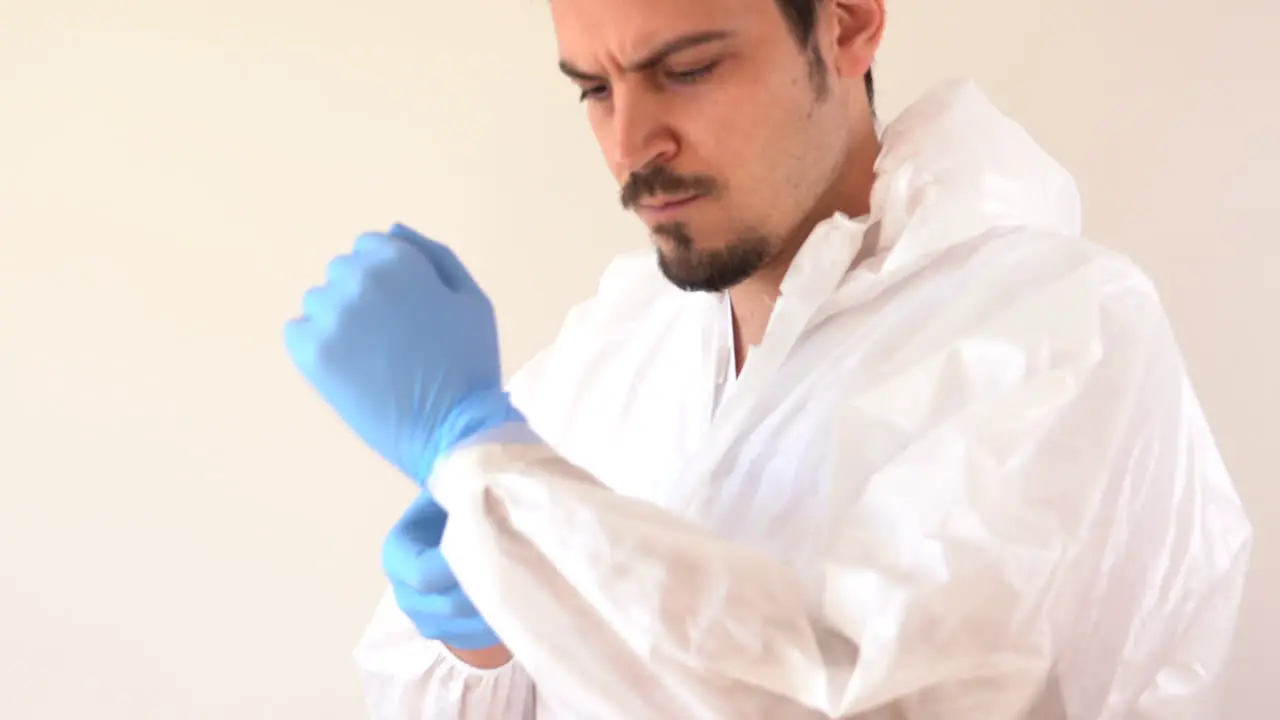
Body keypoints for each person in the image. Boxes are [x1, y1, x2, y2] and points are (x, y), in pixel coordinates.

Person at [283, 0, 1253, 717]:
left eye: (687, 69)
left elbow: (866, 701)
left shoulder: (1056, 332)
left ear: (845, 24)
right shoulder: (616, 348)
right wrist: (487, 641)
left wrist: (490, 478)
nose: (630, 144)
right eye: (592, 88)